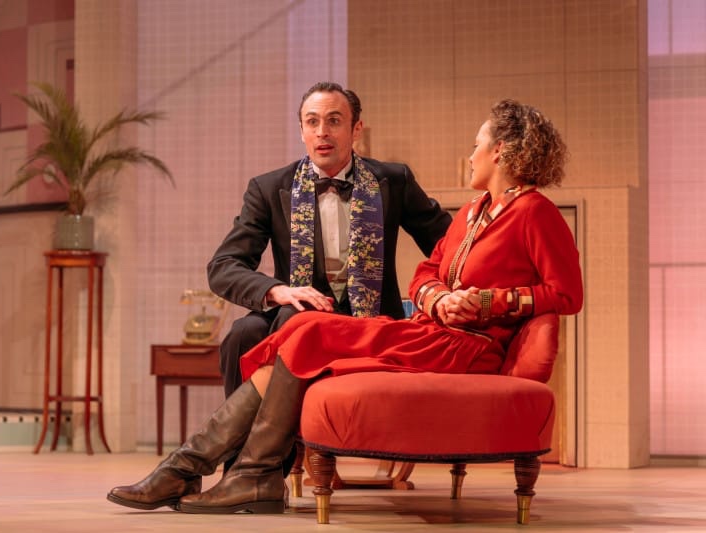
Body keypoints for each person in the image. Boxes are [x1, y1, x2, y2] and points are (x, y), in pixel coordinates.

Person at [107, 98, 584, 516]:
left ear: (499, 151)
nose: (471, 153)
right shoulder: (473, 212)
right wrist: (438, 296)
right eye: (312, 121)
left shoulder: (534, 212)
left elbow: (567, 294)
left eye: (476, 144)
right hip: (431, 330)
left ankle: (213, 471)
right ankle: (214, 471)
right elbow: (428, 270)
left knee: (308, 331)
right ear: (301, 128)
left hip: (470, 345)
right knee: (295, 329)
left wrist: (484, 301)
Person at [105, 82, 451, 512]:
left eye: (334, 121)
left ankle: (234, 473)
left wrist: (447, 292)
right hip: (297, 312)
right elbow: (224, 265)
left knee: (291, 325)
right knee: (243, 334)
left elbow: (448, 243)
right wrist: (277, 289)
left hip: (368, 324)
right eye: (312, 122)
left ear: (356, 129)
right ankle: (239, 470)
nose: (322, 132)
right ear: (301, 130)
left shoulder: (392, 181)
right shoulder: (271, 188)